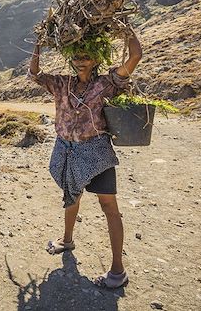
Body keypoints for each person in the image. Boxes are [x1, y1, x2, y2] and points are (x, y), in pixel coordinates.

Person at [28, 29, 142, 289]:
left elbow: (136, 55)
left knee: (108, 206)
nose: (81, 60)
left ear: (96, 59)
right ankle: (67, 240)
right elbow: (34, 74)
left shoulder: (106, 84)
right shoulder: (61, 83)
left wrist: (125, 29)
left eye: (87, 56)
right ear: (71, 58)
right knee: (71, 196)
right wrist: (38, 43)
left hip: (96, 152)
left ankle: (117, 270)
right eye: (77, 55)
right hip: (66, 149)